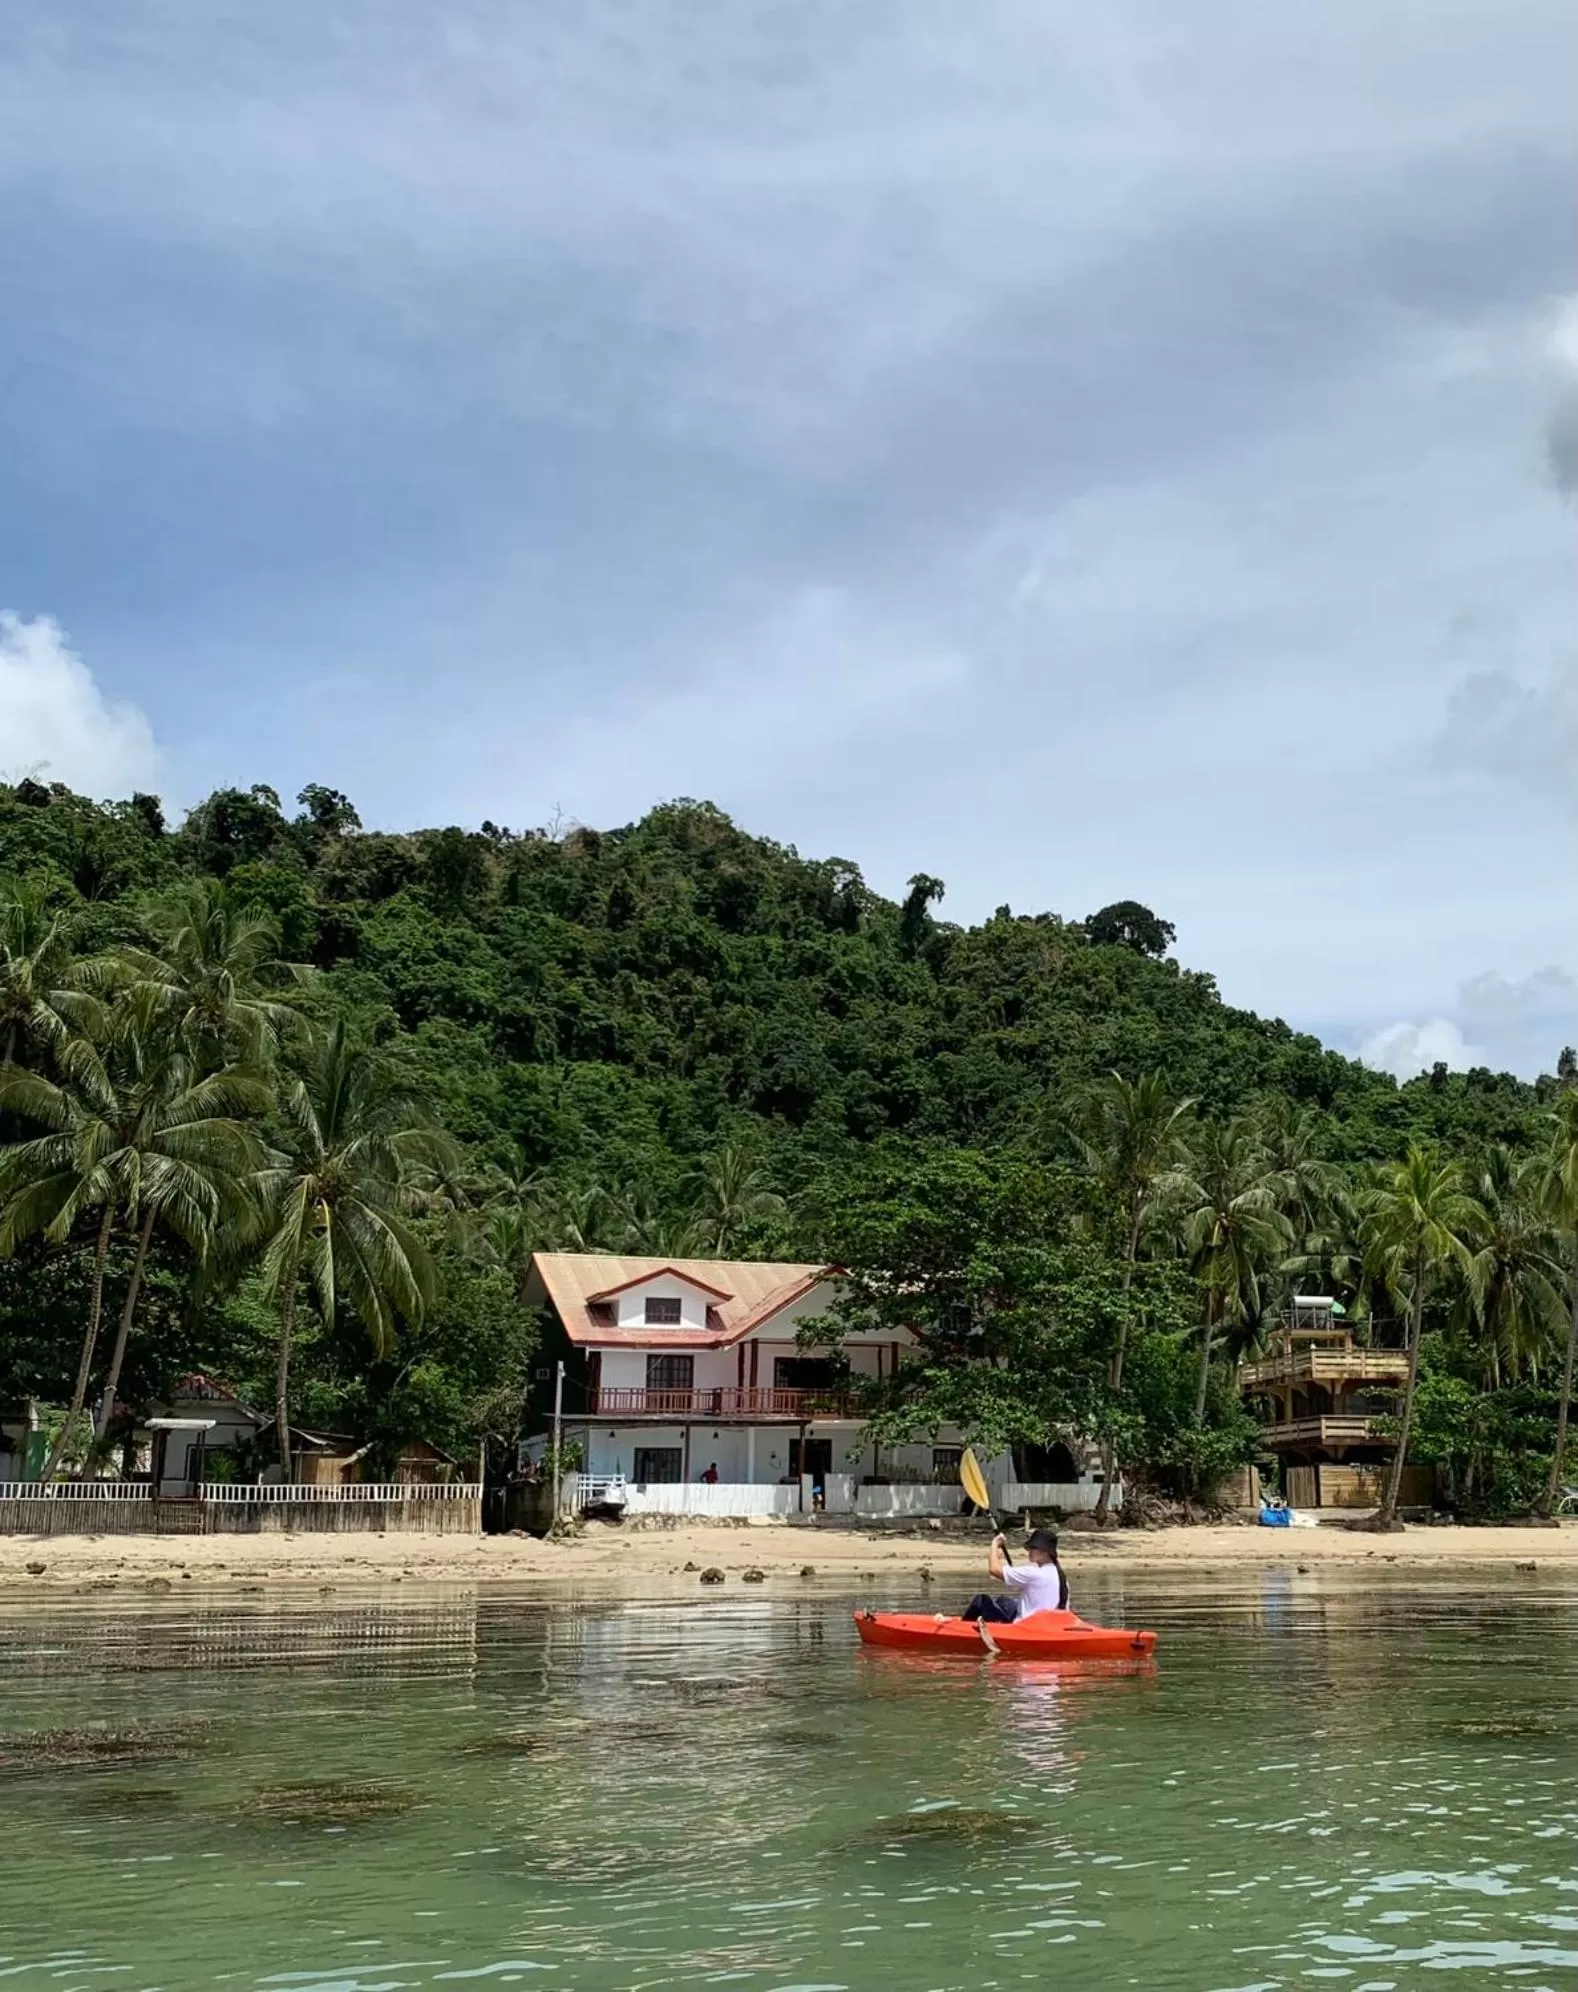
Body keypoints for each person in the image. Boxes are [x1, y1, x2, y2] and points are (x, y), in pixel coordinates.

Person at [959, 1528, 1068, 1624]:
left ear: (1045, 1552)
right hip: (1046, 1625)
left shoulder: (1033, 1573)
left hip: (1025, 1628)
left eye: (1033, 1547)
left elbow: (994, 1570)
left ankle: (961, 1629)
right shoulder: (1061, 1577)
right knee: (1004, 1601)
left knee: (981, 1600)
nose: (1029, 1550)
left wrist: (995, 1544)